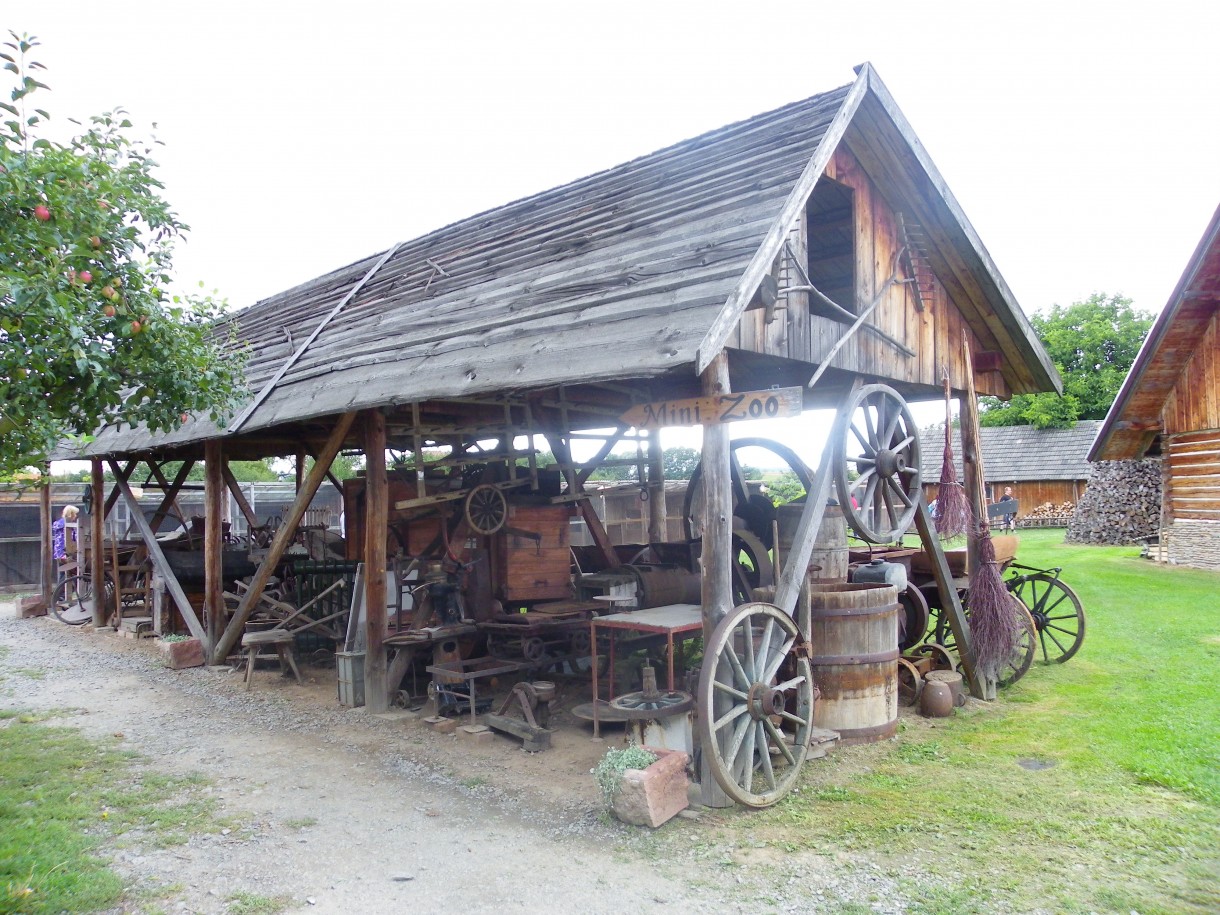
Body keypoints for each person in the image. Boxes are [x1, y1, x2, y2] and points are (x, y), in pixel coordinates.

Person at [52, 505, 80, 577]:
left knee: (63, 572)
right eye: (74, 513)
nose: (76, 516)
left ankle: (61, 587)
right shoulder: (67, 525)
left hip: (59, 553)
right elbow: (72, 539)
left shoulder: (59, 524)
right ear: (71, 514)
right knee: (69, 573)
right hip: (65, 552)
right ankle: (63, 587)